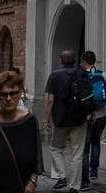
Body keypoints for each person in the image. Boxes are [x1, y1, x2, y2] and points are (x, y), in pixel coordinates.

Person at [44, 50, 89, 192]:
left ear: (61, 60)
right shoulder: (82, 72)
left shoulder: (54, 75)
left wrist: (46, 119)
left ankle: (61, 176)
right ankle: (74, 187)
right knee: (77, 153)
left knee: (56, 148)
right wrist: (91, 113)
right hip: (79, 118)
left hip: (60, 118)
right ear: (75, 60)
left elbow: (50, 100)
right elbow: (88, 95)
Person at [80, 51, 106, 191]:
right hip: (102, 114)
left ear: (84, 62)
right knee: (96, 141)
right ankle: (94, 170)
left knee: (85, 148)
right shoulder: (102, 74)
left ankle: (84, 181)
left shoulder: (81, 76)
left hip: (87, 116)